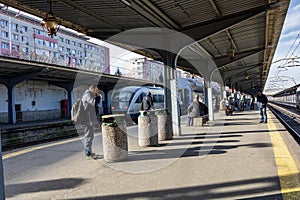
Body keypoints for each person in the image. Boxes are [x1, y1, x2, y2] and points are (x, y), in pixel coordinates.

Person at [81, 85, 101, 159]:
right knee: (88, 136)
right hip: (87, 120)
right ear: (92, 89)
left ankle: (89, 152)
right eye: (96, 90)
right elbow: (94, 103)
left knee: (90, 136)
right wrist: (98, 96)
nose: (97, 92)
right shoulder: (88, 95)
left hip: (88, 120)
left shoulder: (88, 95)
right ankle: (88, 154)